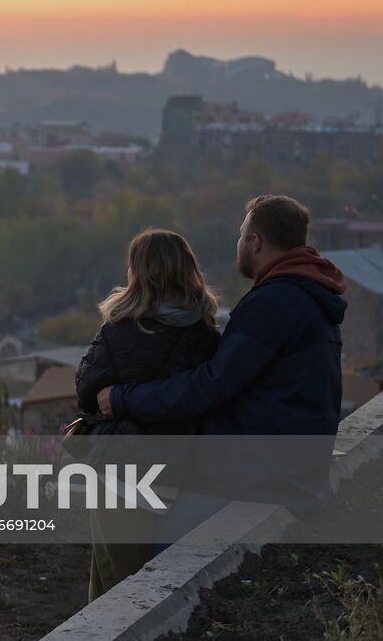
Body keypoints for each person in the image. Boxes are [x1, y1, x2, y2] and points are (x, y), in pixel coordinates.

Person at [97, 195, 347, 541]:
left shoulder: (274, 304)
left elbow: (210, 386)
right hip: (292, 466)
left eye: (242, 234)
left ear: (255, 242)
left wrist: (123, 399)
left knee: (165, 560)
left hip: (260, 475)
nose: (239, 242)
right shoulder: (306, 295)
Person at [74, 228, 221, 601]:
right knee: (121, 583)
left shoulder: (121, 329)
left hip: (120, 477)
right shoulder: (207, 336)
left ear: (139, 273)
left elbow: (86, 392)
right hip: (180, 474)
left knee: (120, 592)